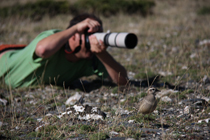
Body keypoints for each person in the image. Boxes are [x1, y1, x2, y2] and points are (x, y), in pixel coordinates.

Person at [0, 13, 128, 88]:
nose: (94, 40)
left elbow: (122, 81)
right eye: (89, 35)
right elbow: (43, 50)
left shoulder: (91, 59)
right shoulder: (54, 37)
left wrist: (102, 53)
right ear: (73, 36)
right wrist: (76, 28)